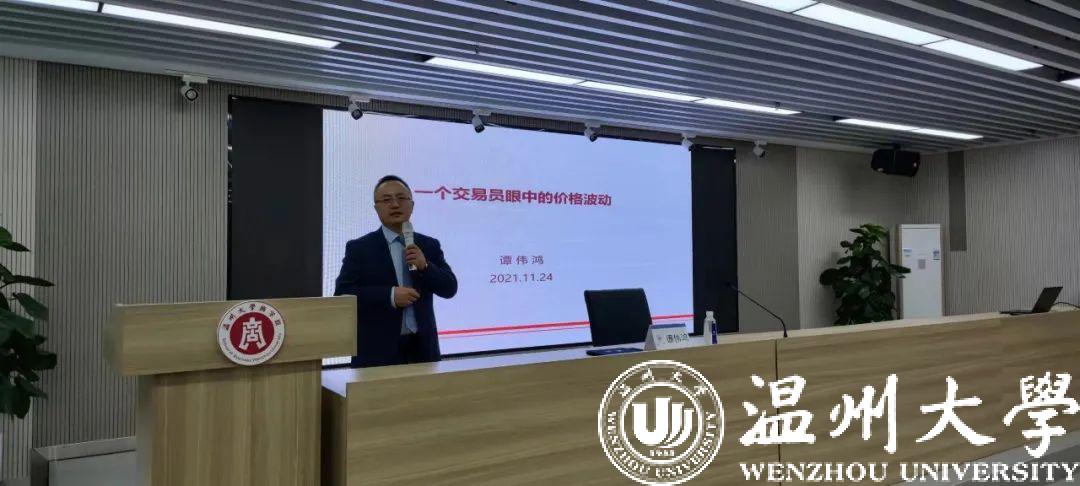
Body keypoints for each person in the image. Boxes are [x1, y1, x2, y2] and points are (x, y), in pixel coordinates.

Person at [334, 175, 457, 367]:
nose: (395, 204)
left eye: (401, 198)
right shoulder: (360, 248)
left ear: (412, 205)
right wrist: (389, 295)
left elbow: (450, 288)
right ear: (376, 208)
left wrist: (425, 266)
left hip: (423, 351)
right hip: (376, 352)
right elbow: (343, 294)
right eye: (386, 200)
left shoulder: (428, 245)